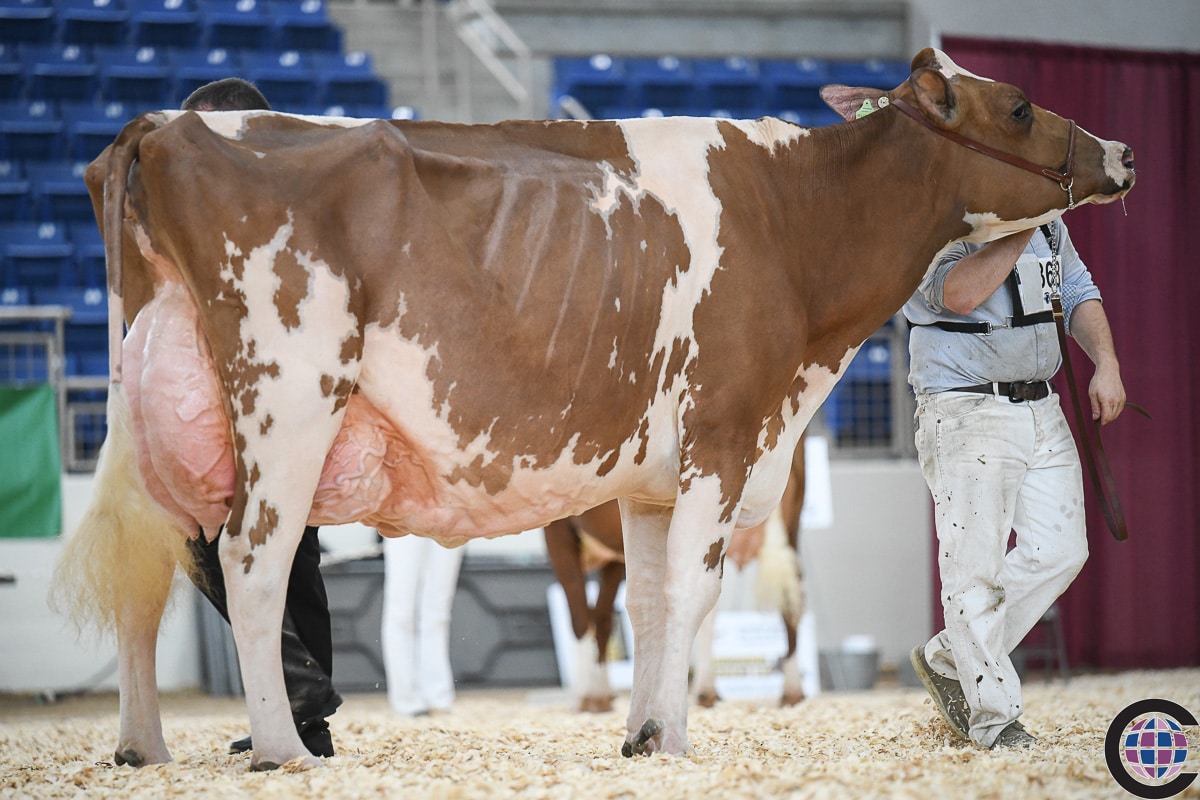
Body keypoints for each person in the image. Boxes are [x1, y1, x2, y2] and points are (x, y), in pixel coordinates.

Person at [903, 219, 1125, 750]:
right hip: (963, 402)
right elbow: (957, 293)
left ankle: (950, 657)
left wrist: (1108, 362)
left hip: (1040, 400)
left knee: (1062, 550)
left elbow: (1075, 290)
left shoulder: (1049, 220)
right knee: (973, 567)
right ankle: (994, 719)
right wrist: (1023, 224)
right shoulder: (941, 218)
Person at [181, 77, 342, 758]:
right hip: (278, 386)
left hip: (275, 387)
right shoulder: (288, 192)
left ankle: (302, 697)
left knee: (216, 541)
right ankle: (304, 710)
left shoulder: (255, 197)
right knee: (288, 548)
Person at [381, 534, 465, 716]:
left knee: (438, 609)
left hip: (451, 511)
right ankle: (407, 700)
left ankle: (438, 696)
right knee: (401, 608)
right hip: (403, 511)